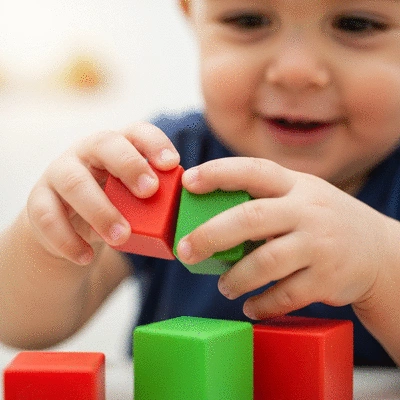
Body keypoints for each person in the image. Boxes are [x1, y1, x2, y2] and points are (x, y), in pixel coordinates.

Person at [1, 0, 399, 367]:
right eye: (248, 20)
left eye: (357, 24)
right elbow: (19, 325)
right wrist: (51, 241)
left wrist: (381, 262)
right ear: (192, 16)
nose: (295, 72)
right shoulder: (164, 163)